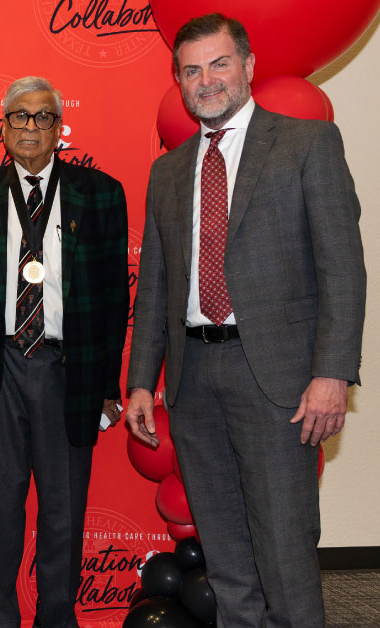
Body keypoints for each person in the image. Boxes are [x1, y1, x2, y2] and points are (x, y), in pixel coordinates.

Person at [125, 13, 364, 628]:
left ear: (249, 66)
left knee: (285, 554)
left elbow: (342, 267)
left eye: (219, 63)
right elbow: (155, 285)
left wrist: (333, 374)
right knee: (226, 559)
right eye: (191, 70)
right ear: (179, 80)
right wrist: (141, 382)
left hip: (277, 381)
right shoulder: (168, 171)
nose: (206, 80)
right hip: (193, 380)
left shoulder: (307, 144)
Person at [0, 76, 128, 628]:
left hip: (66, 371)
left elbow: (112, 297)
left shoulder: (100, 193)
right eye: (20, 116)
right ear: (3, 127)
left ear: (59, 128)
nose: (31, 126)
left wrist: (108, 387)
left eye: (43, 117)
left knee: (63, 515)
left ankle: (57, 618)